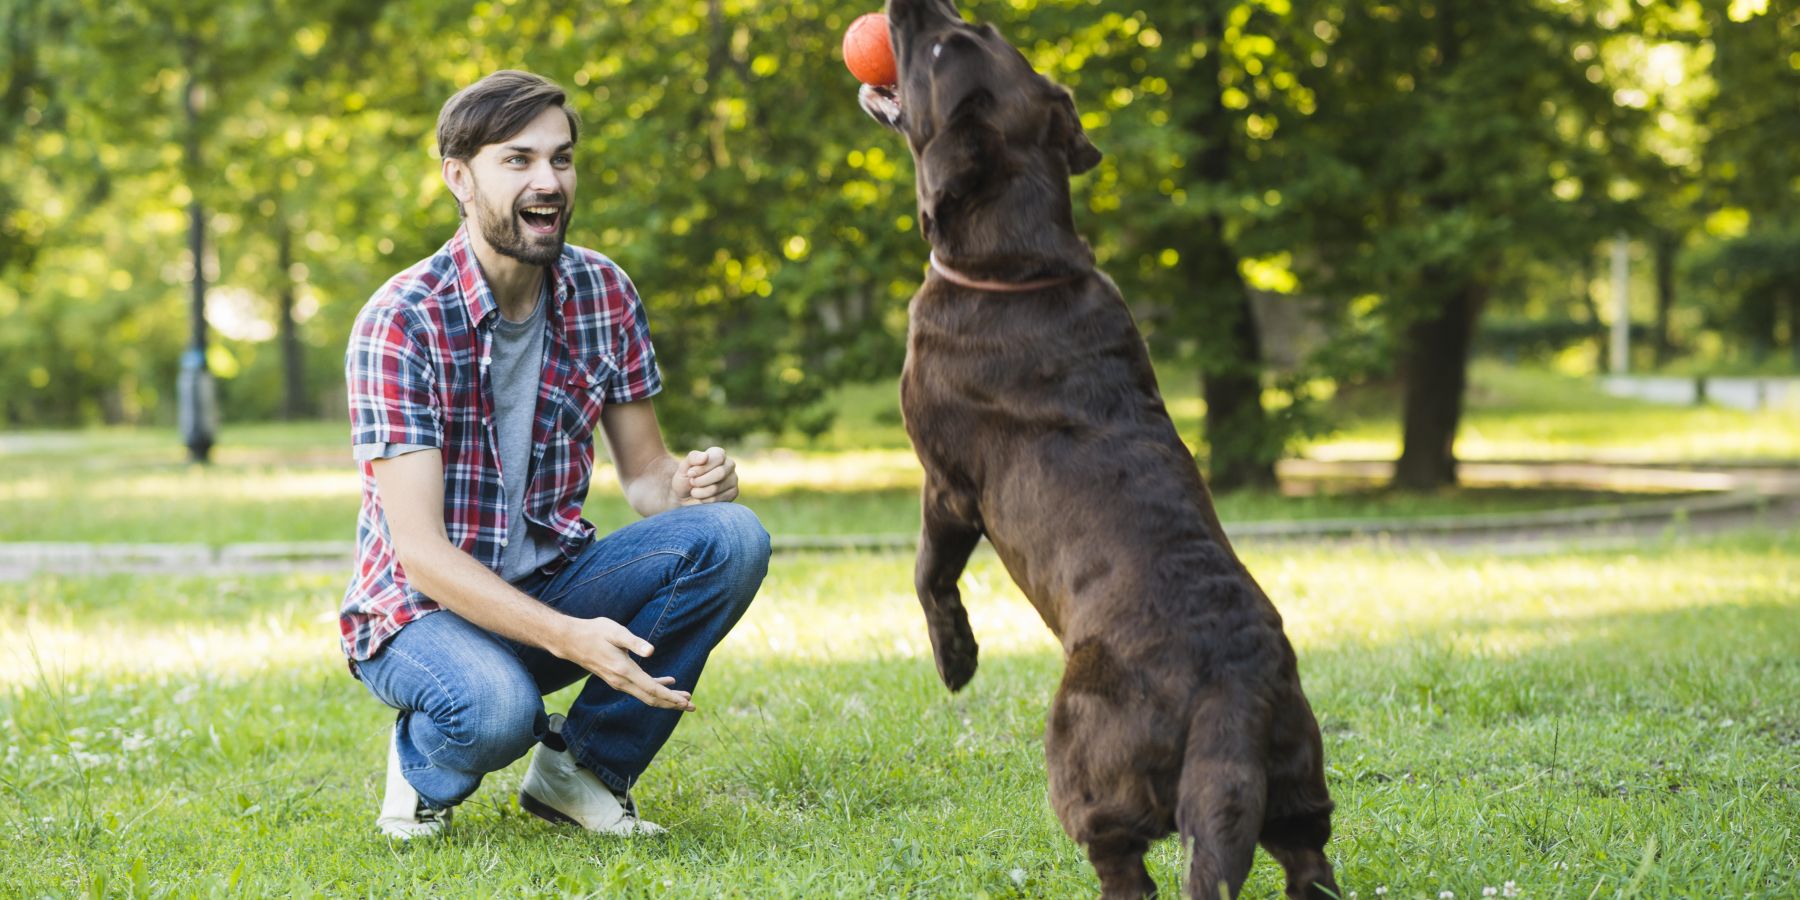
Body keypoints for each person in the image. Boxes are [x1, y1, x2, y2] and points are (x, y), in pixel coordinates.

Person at [341, 70, 770, 839]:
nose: (549, 182)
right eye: (519, 161)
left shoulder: (603, 291)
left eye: (561, 159)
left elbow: (645, 477)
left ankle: (582, 771)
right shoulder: (401, 322)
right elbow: (421, 553)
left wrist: (692, 482)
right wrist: (570, 638)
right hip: (420, 614)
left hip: (551, 584)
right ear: (459, 178)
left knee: (732, 537)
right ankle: (420, 763)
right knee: (498, 711)